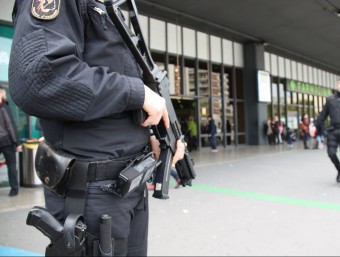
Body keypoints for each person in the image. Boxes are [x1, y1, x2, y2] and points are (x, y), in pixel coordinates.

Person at [9, 1, 185, 256]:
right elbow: (39, 77)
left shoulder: (109, 5)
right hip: (90, 193)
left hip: (126, 188)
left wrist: (151, 141)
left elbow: (110, 106)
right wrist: (136, 93)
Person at [316, 79, 340, 183]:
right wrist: (322, 129)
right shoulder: (330, 100)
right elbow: (322, 116)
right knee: (331, 153)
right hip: (333, 130)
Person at [0, 89, 21, 197]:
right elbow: (10, 126)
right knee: (11, 165)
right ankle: (14, 189)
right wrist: (17, 143)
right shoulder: (4, 108)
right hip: (6, 141)